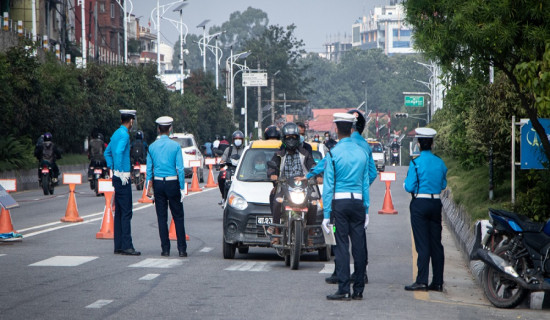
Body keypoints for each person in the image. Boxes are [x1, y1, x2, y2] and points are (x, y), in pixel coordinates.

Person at [325, 109, 378, 285]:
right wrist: (367, 208)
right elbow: (365, 183)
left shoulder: (333, 153)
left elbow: (328, 187)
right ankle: (359, 288)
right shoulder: (362, 152)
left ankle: (344, 288)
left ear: (337, 129)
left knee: (341, 245)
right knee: (359, 245)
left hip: (339, 203)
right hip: (358, 203)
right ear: (352, 129)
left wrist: (326, 214)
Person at [403, 127, 447, 292]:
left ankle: (422, 280)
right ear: (432, 144)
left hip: (419, 204)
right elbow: (443, 184)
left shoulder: (415, 162)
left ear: (419, 144)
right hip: (435, 203)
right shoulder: (440, 162)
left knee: (422, 244)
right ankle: (438, 282)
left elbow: (409, 186)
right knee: (436, 243)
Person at [267, 122, 316, 244]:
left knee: (314, 202)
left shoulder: (305, 153)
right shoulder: (279, 154)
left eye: (294, 137)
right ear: (283, 138)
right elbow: (272, 167)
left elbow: (313, 165)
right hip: (284, 186)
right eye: (288, 138)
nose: (291, 140)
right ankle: (276, 231)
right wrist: (273, 174)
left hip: (303, 186)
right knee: (276, 200)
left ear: (298, 138)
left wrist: (318, 175)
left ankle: (310, 231)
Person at [146, 116, 188, 258]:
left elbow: (149, 170)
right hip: (172, 183)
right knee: (178, 217)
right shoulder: (175, 146)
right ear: (170, 129)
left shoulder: (151, 147)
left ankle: (165, 249)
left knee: (161, 218)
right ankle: (182, 249)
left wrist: (149, 188)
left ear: (158, 129)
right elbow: (180, 169)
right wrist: (182, 188)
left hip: (158, 183)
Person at [104, 109, 141, 256]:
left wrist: (112, 168)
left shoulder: (115, 133)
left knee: (119, 212)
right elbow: (119, 152)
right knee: (126, 212)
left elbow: (108, 153)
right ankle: (127, 246)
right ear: (131, 121)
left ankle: (118, 245)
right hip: (123, 177)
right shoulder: (124, 135)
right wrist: (120, 171)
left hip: (117, 177)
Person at [217, 130, 245, 203]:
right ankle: (223, 196)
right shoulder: (228, 149)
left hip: (242, 171)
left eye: (239, 139)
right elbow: (223, 159)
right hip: (230, 169)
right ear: (233, 140)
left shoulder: (245, 150)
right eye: (236, 139)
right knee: (220, 176)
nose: (238, 141)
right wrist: (221, 163)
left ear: (242, 140)